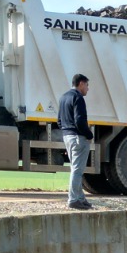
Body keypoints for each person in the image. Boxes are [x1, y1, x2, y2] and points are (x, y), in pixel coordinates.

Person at [57, 74, 93, 209]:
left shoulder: (63, 97)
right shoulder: (78, 98)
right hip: (78, 137)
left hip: (67, 136)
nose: (88, 89)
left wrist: (67, 132)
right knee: (78, 170)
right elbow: (79, 121)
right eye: (87, 85)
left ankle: (81, 198)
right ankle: (73, 200)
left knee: (75, 168)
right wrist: (89, 134)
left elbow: (59, 120)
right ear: (81, 83)